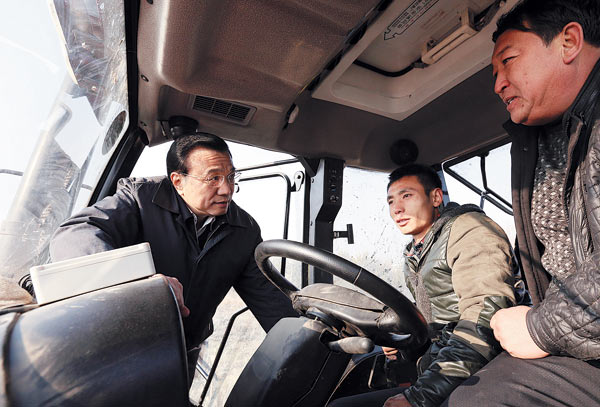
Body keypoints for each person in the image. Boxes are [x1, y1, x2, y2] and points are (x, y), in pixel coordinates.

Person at [443, 1, 600, 405]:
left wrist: (539, 327)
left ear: (568, 42)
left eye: (508, 61)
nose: (497, 84)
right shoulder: (540, 143)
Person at [49, 132, 297, 383]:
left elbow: (270, 300)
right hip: (120, 349)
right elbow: (74, 235)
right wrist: (142, 283)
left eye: (231, 176)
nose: (227, 189)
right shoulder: (140, 199)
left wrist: (312, 334)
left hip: (183, 351)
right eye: (213, 178)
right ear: (178, 181)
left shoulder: (244, 231)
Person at [329, 164, 520, 407]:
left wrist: (419, 397)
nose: (397, 209)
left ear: (436, 197)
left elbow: (482, 323)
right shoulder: (416, 251)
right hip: (441, 362)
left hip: (480, 371)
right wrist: (401, 339)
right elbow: (436, 315)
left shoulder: (470, 230)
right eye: (390, 202)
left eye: (407, 196)